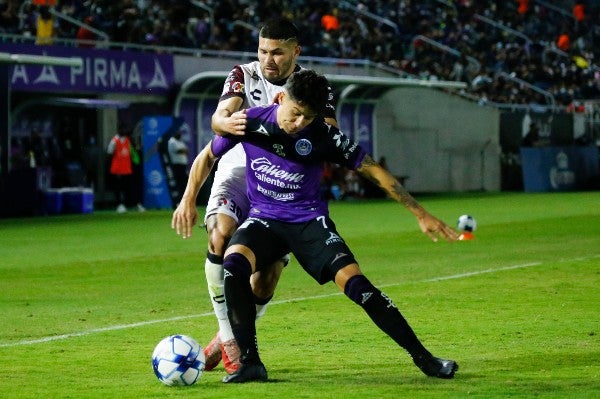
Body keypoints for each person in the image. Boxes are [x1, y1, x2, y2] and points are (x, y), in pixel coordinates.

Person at [172, 69, 460, 383]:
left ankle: (425, 358)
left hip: (309, 223)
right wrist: (188, 199)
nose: (298, 124)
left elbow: (374, 170)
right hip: (264, 221)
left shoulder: (323, 135)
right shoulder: (250, 122)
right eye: (295, 113)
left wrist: (420, 213)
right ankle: (250, 363)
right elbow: (206, 157)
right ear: (281, 98)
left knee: (359, 288)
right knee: (234, 264)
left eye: (307, 118)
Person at [172, 18, 339, 374]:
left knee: (265, 280)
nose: (268, 59)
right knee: (219, 234)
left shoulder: (312, 86)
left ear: (296, 51)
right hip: (236, 172)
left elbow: (331, 135)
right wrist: (225, 123)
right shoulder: (242, 75)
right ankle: (233, 345)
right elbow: (220, 119)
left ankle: (224, 334)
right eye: (263, 51)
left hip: (281, 186)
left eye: (277, 52)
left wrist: (289, 131)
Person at [107, 125, 145, 213]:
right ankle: (120, 205)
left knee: (130, 187)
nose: (124, 131)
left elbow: (133, 153)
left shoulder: (128, 140)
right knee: (119, 188)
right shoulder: (114, 141)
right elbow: (109, 154)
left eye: (125, 129)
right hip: (117, 169)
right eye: (122, 129)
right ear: (118, 130)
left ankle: (134, 204)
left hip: (127, 168)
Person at [167, 130, 189, 205]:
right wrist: (183, 150)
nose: (179, 134)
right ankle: (177, 202)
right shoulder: (172, 141)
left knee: (184, 184)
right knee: (179, 184)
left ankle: (184, 201)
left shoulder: (180, 141)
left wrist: (184, 150)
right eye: (178, 133)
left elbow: (186, 150)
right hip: (177, 165)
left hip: (182, 166)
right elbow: (179, 150)